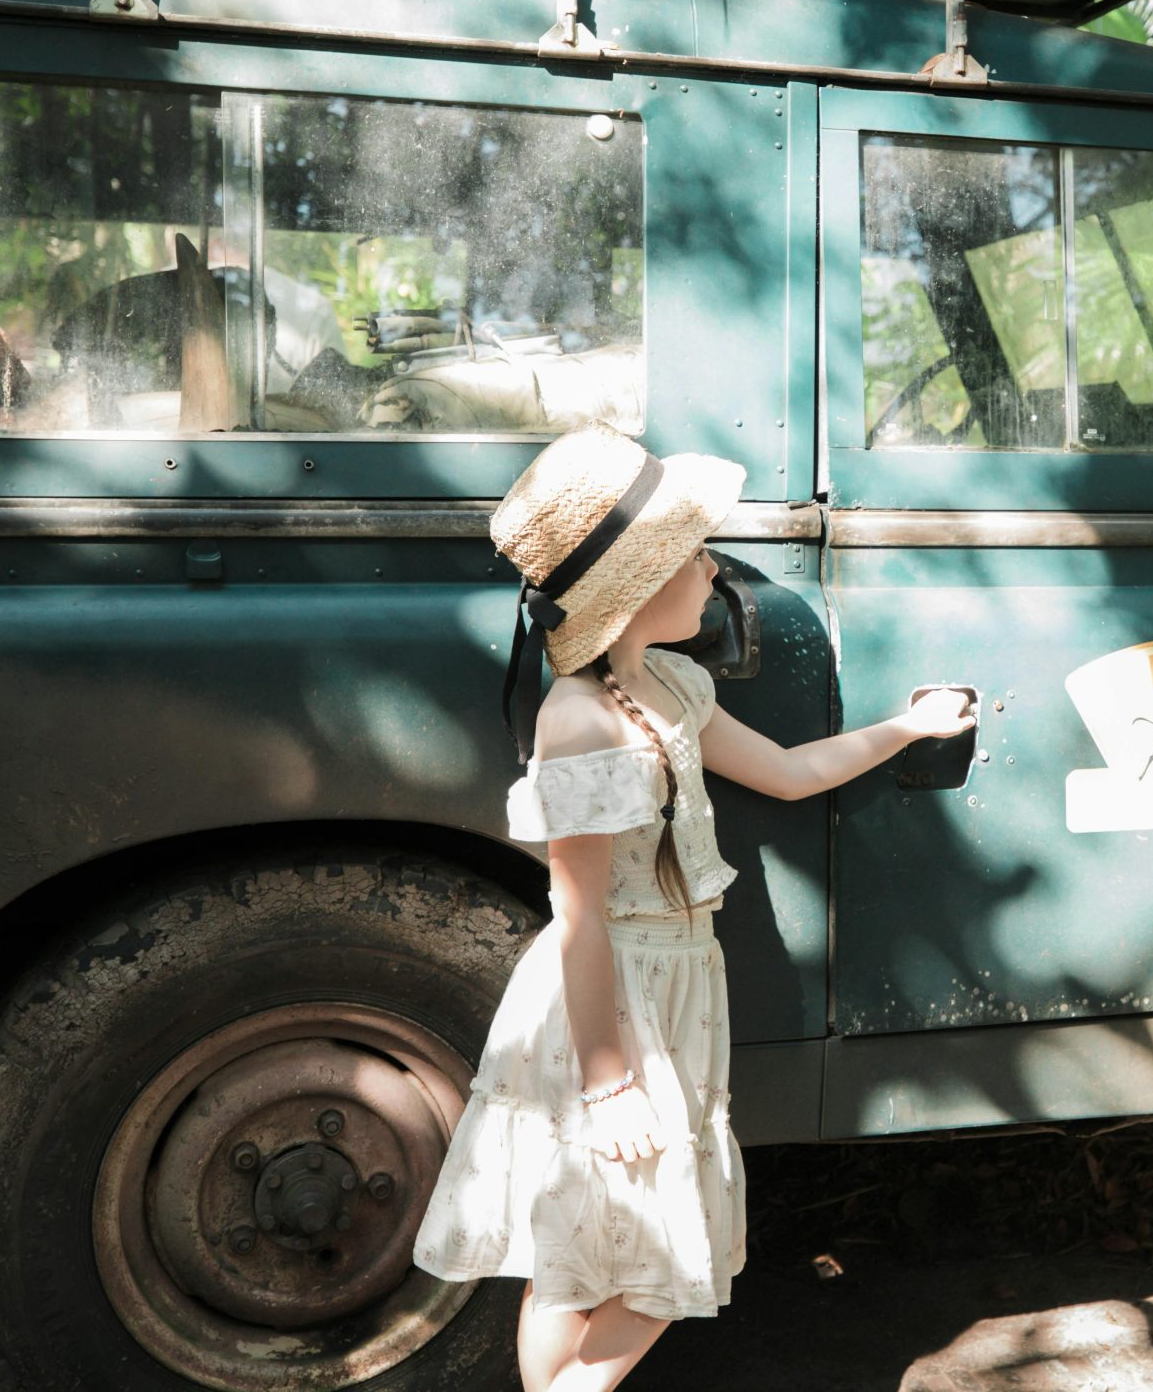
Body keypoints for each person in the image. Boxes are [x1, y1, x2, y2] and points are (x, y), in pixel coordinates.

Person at [412, 425, 976, 1391]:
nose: (714, 568)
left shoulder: (668, 682)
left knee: (581, 1265)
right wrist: (606, 1080)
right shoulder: (580, 721)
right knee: (664, 1261)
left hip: (675, 987)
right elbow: (580, 915)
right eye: (689, 555)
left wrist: (907, 727)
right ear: (626, 590)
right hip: (609, 1007)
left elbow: (791, 775)